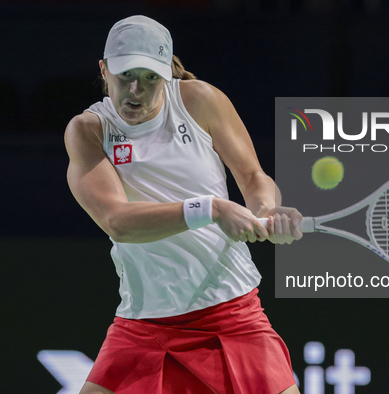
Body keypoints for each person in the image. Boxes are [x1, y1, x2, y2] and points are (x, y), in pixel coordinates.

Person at [65, 15, 303, 394]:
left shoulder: (198, 100)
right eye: (126, 75)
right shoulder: (89, 130)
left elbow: (254, 177)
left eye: (150, 78)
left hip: (231, 312)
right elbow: (117, 221)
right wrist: (211, 209)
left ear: (166, 74)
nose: (136, 91)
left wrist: (265, 208)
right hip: (144, 324)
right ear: (104, 69)